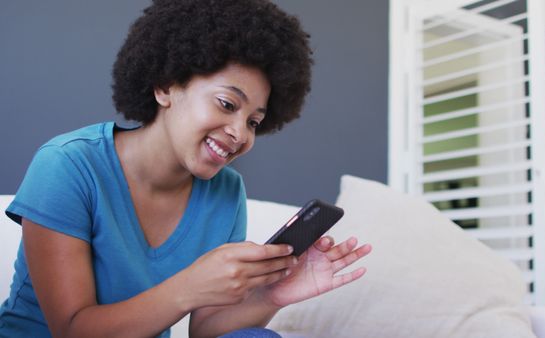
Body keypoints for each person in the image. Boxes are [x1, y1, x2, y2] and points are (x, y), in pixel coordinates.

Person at [0, 0, 372, 337]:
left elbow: (205, 332)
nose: (239, 133)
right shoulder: (68, 165)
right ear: (166, 87)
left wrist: (269, 295)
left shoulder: (226, 193)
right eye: (227, 104)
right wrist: (189, 286)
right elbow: (73, 331)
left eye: (254, 122)